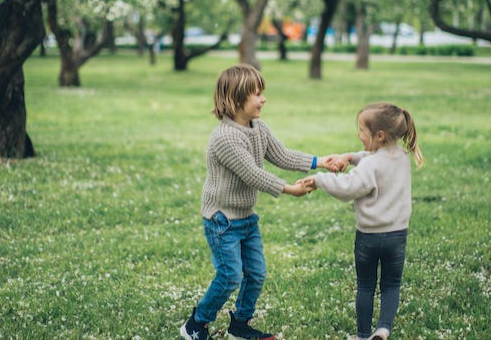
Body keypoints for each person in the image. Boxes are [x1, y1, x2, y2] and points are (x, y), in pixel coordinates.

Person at [180, 64, 333, 340]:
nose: (263, 99)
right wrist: (289, 189)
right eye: (257, 94)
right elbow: (253, 174)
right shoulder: (224, 138)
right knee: (230, 276)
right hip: (222, 220)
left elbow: (282, 155)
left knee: (257, 273)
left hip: (246, 218)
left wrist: (320, 161)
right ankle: (195, 324)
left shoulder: (258, 127)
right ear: (237, 99)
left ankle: (240, 324)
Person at [300, 102, 424, 340]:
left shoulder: (370, 164)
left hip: (369, 237)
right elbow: (374, 157)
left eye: (361, 131)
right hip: (397, 235)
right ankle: (384, 329)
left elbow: (349, 187)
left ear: (379, 135)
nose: (358, 135)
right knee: (391, 285)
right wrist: (350, 156)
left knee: (366, 285)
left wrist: (319, 180)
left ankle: (363, 335)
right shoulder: (401, 157)